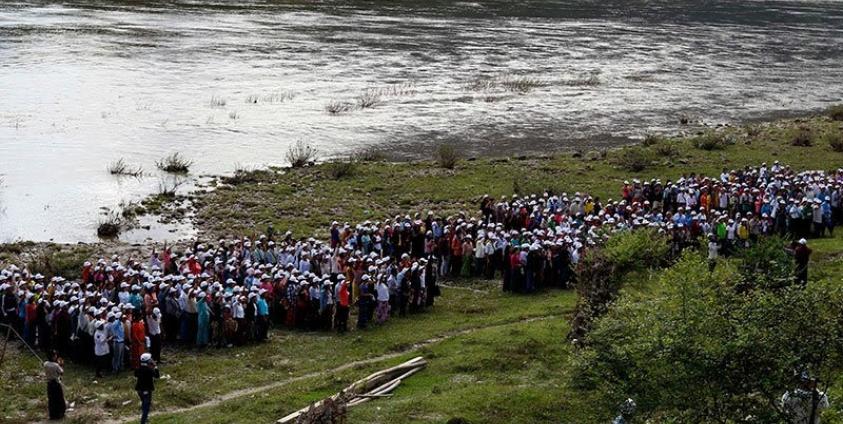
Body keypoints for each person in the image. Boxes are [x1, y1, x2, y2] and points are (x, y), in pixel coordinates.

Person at [135, 352, 160, 424]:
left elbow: (135, 374)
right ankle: (143, 421)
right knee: (146, 407)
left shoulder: (139, 368)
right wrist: (155, 367)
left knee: (144, 403)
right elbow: (157, 376)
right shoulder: (149, 370)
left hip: (139, 390)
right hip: (147, 390)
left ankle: (145, 419)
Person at [44, 350, 66, 420]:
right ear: (53, 356)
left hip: (49, 383)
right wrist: (61, 365)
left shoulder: (45, 363)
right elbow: (61, 372)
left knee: (51, 399)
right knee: (59, 398)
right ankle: (60, 414)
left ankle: (52, 415)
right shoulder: (56, 365)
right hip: (56, 383)